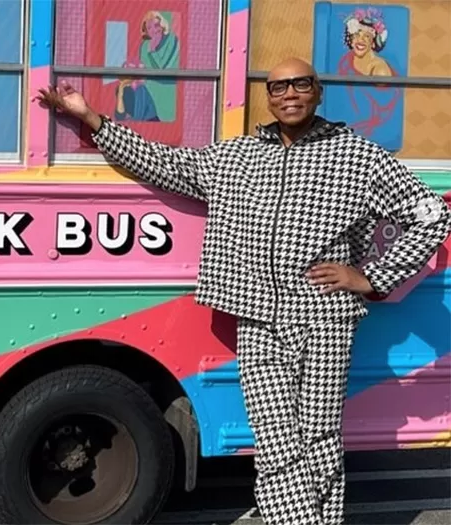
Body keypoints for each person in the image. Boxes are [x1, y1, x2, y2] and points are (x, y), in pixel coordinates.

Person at [37, 57, 451, 525]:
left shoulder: (358, 156)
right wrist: (91, 119)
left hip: (325, 318)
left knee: (317, 436)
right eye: (278, 87)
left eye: (300, 84)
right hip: (255, 317)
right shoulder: (239, 157)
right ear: (268, 98)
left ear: (318, 92)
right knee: (275, 439)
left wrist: (371, 276)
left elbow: (431, 215)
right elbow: (165, 164)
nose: (289, 94)